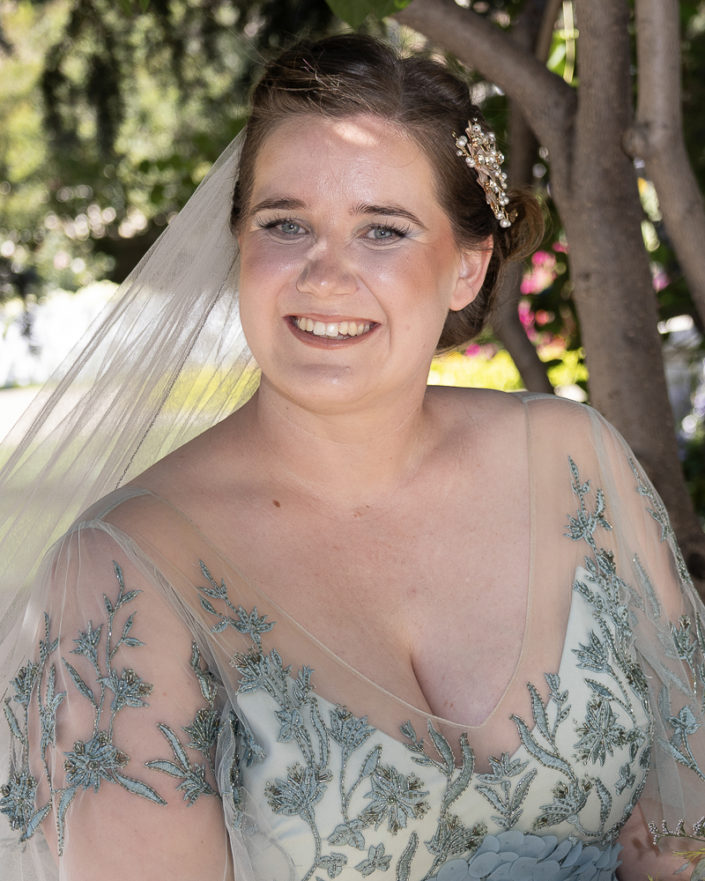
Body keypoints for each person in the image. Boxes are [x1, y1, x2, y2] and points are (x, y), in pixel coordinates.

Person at [1, 33, 704, 881]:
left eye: (382, 230)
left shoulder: (570, 459)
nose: (324, 274)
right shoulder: (124, 571)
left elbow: (689, 811)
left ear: (467, 268)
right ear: (238, 243)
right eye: (285, 224)